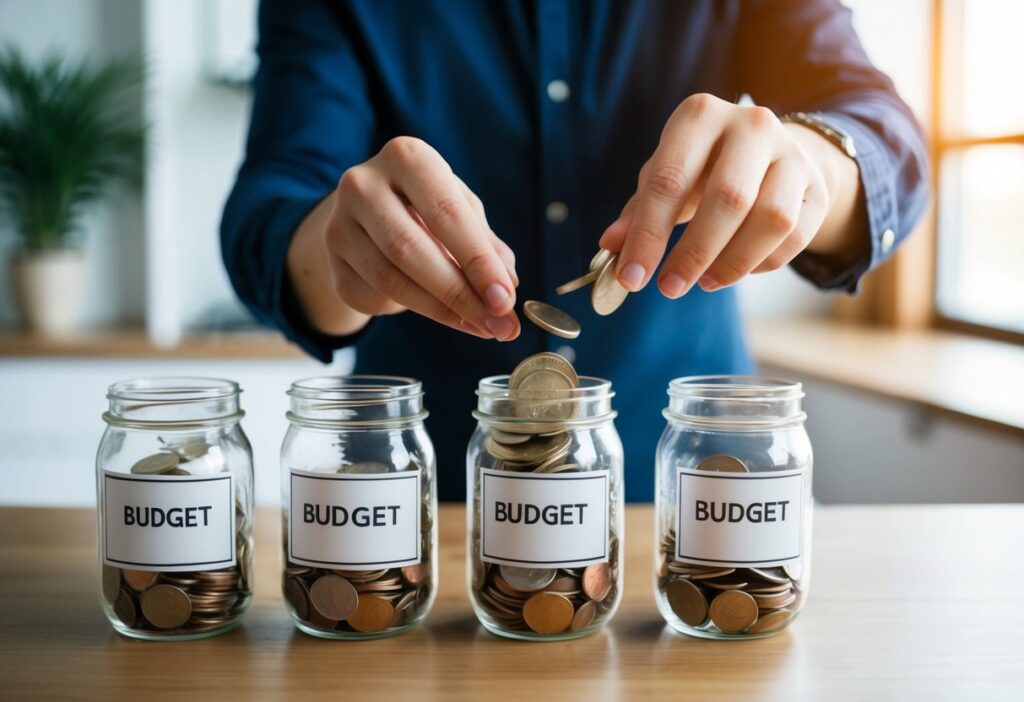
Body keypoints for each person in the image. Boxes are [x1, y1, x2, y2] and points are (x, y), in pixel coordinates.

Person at [221, 0, 928, 501]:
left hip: (697, 490)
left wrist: (811, 163)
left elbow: (877, 127)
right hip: (425, 500)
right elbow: (269, 204)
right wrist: (340, 253)